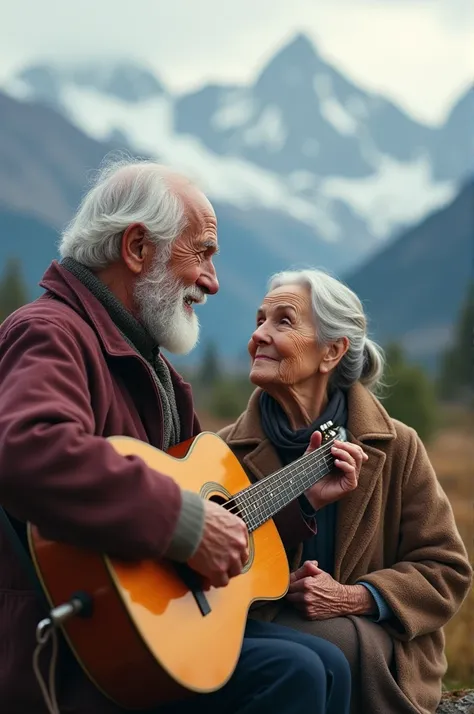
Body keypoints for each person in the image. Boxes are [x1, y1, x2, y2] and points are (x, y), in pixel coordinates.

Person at [0, 159, 352, 714]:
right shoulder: (49, 332)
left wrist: (297, 498)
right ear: (137, 248)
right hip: (77, 647)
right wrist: (184, 524)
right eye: (203, 252)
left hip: (149, 628)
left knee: (329, 663)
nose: (212, 280)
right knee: (296, 671)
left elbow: (218, 516)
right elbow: (26, 450)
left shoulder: (158, 372)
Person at [218, 268, 473, 714]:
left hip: (375, 640)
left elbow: (446, 569)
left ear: (332, 351)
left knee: (322, 649)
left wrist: (355, 596)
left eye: (282, 321)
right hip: (263, 630)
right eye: (259, 320)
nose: (258, 334)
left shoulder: (396, 445)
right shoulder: (221, 453)